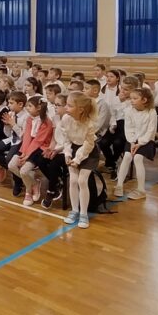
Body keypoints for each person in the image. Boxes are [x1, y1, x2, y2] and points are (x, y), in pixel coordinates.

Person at [60, 92, 100, 228]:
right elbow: (66, 139)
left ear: (80, 109)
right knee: (73, 180)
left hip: (88, 151)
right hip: (73, 148)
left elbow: (88, 145)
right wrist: (67, 154)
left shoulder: (90, 124)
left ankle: (84, 214)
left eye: (69, 105)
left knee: (82, 181)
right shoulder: (66, 119)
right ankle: (74, 210)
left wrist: (78, 159)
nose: (66, 107)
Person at [114, 87, 158, 201]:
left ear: (144, 100)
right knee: (127, 156)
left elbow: (151, 130)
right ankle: (119, 185)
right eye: (131, 98)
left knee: (138, 158)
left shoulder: (151, 112)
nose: (131, 101)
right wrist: (132, 142)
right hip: (132, 140)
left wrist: (140, 143)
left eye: (135, 98)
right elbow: (129, 128)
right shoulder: (129, 111)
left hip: (147, 140)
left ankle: (141, 190)